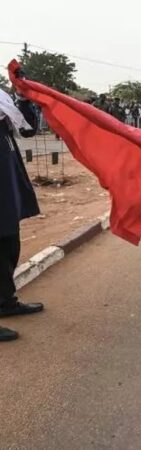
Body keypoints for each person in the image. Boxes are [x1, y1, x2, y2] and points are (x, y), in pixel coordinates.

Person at [0, 85, 45, 342]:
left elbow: (28, 128)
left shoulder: (4, 100)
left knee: (8, 242)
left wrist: (24, 96)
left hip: (6, 181)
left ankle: (5, 302)